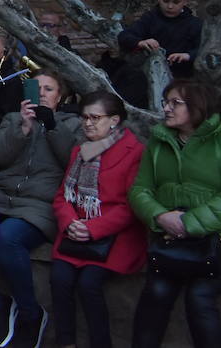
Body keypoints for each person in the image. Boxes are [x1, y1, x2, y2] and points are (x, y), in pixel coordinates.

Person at [129, 79, 221, 348]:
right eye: (166, 102)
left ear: (198, 106)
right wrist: (161, 217)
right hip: (173, 234)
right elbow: (140, 190)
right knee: (156, 291)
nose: (167, 109)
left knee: (200, 295)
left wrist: (188, 223)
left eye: (176, 103)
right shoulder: (159, 142)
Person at [0, 71, 81, 348]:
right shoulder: (13, 120)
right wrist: (23, 128)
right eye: (36, 87)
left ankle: (30, 312)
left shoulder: (72, 123)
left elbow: (72, 162)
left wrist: (51, 126)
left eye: (49, 89)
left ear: (60, 97)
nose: (41, 93)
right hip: (1, 196)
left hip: (40, 205)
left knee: (6, 239)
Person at [48, 90, 145, 348]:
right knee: (59, 279)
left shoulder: (134, 151)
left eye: (95, 118)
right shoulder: (79, 150)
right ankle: (66, 343)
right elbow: (62, 197)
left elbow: (130, 206)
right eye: (84, 118)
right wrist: (70, 222)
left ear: (114, 120)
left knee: (89, 284)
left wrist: (92, 228)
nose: (88, 123)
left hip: (115, 237)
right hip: (75, 232)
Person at [115, 0, 203, 106]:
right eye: (165, 1)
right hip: (147, 79)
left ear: (186, 0)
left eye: (175, 2)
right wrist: (141, 42)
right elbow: (124, 36)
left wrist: (188, 56)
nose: (170, 6)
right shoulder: (150, 18)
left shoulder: (195, 24)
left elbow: (204, 49)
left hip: (182, 81)